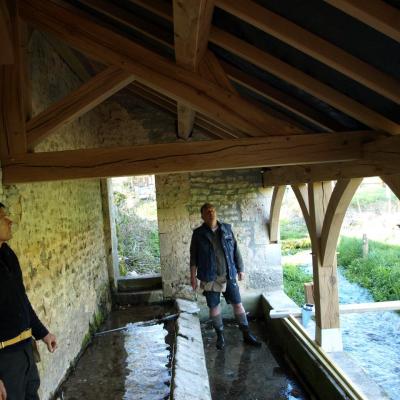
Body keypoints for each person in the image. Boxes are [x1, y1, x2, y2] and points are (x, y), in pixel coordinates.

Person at [0, 203, 57, 400]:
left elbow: (21, 300)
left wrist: (43, 333)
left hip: (25, 348)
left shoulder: (7, 254)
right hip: (5, 359)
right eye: (3, 217)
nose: (10, 221)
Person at [190, 203, 261, 350]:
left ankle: (247, 334)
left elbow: (236, 250)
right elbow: (194, 258)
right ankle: (220, 336)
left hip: (229, 275)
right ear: (202, 216)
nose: (211, 213)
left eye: (213, 210)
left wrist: (240, 268)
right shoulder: (198, 234)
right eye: (207, 212)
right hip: (209, 277)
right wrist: (193, 277)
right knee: (214, 307)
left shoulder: (226, 229)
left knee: (238, 304)